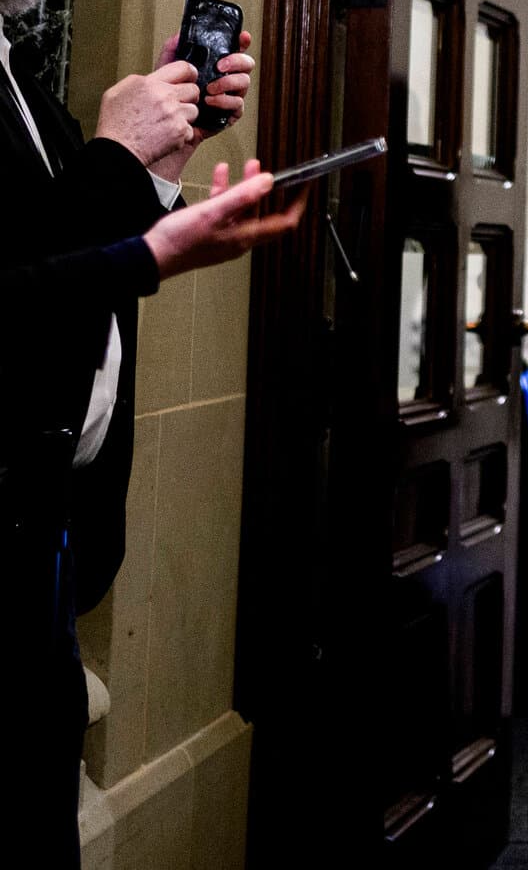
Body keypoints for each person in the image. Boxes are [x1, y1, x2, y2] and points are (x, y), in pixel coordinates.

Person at [0, 0, 264, 862]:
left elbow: (65, 247)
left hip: (44, 554)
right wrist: (119, 168)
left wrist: (155, 168)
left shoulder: (17, 80)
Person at [3, 164, 305, 867]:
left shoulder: (29, 88)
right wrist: (125, 184)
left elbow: (65, 248)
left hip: (51, 531)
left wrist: (159, 175)